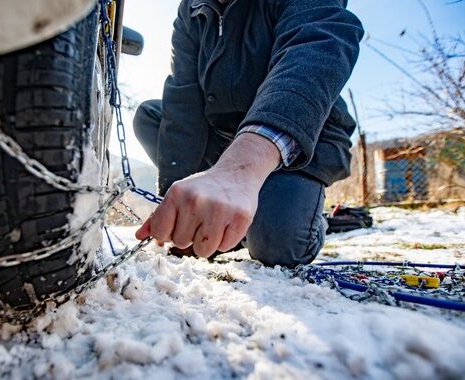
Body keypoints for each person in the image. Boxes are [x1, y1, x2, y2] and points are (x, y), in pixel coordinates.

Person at [133, 0, 364, 267]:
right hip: (223, 135)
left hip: (299, 135)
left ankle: (308, 217)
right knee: (150, 116)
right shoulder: (190, 10)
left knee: (278, 247)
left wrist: (241, 169)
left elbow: (318, 44)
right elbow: (183, 100)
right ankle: (225, 219)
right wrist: (182, 207)